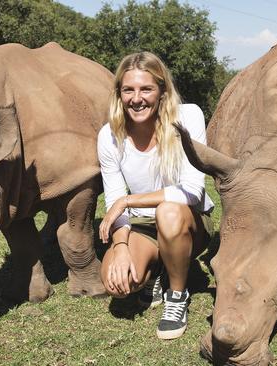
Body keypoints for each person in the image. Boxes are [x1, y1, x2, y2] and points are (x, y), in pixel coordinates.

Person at [97, 51, 214, 340]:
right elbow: (114, 201)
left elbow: (192, 191)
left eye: (146, 89)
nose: (137, 98)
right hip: (142, 225)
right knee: (115, 280)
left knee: (168, 211)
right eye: (128, 90)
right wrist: (121, 245)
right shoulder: (108, 136)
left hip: (188, 222)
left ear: (162, 90)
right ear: (119, 94)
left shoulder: (189, 116)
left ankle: (176, 295)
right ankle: (158, 267)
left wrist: (128, 200)